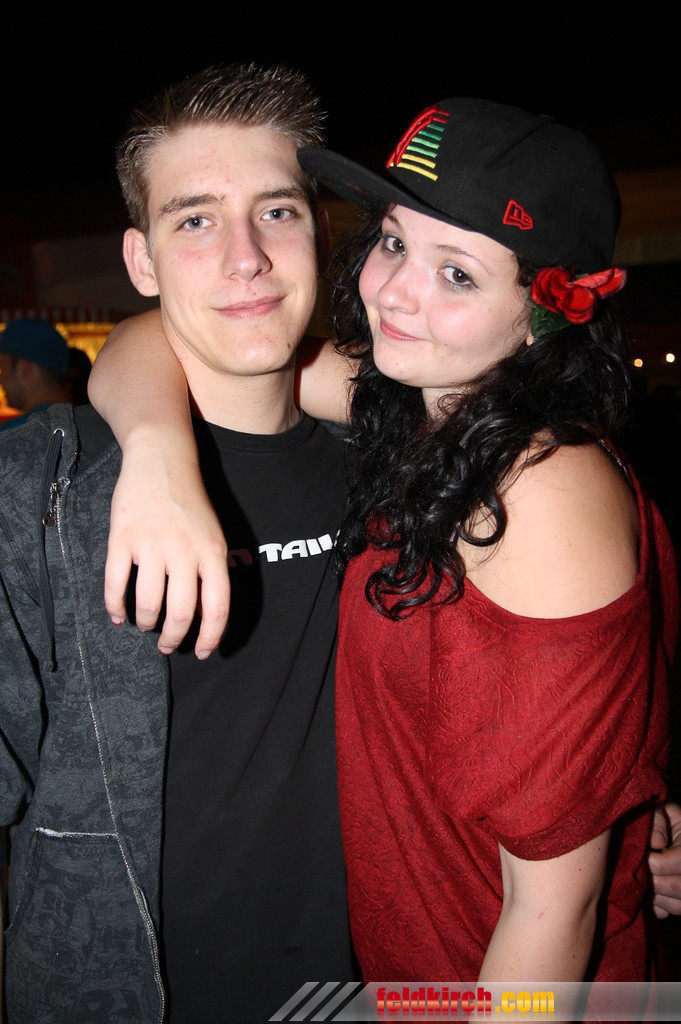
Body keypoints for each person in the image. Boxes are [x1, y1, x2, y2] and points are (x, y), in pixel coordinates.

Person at [88, 97, 681, 987]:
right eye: (396, 243)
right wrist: (157, 457)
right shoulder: (422, 413)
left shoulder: (542, 489)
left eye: (458, 275)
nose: (397, 292)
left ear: (545, 312)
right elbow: (167, 338)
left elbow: (553, 911)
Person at [0, 63, 356, 1024]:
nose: (245, 257)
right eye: (194, 220)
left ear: (319, 235)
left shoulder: (402, 475)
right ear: (142, 261)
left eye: (276, 212)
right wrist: (151, 447)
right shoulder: (39, 490)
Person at [0, 317, 71, 430]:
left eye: (3, 368)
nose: (1, 380)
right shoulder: (83, 423)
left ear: (25, 369)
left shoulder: (14, 433)